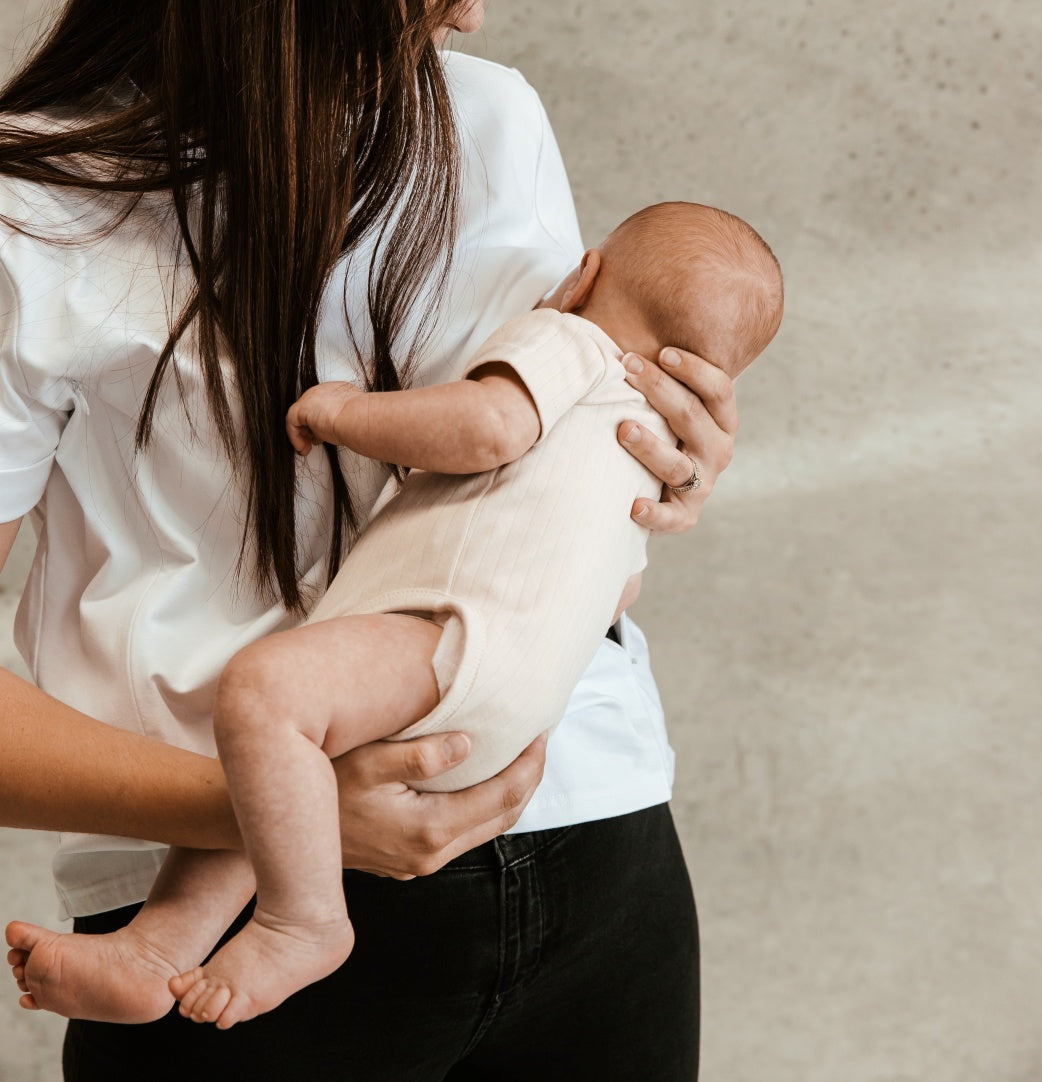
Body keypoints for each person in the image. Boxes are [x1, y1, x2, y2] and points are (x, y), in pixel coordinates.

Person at [0, 0, 739, 1081]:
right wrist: (276, 807)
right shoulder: (29, 212)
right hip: (231, 935)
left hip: (599, 844)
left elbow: (544, 443)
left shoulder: (494, 122)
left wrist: (662, 452)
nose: (469, 11)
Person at [7, 202, 782, 1031]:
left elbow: (486, 426)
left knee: (265, 701)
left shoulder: (573, 343)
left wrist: (340, 412)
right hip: (527, 721)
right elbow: (618, 589)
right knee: (288, 762)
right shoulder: (639, 453)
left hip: (448, 648)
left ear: (584, 275)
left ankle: (301, 921)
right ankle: (156, 948)